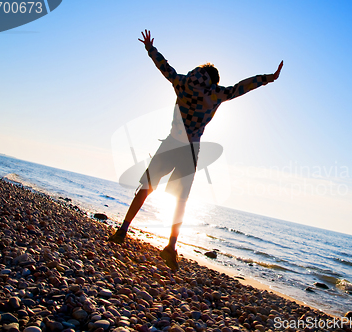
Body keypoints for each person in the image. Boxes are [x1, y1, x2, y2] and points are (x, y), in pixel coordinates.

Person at [108, 29, 283, 271]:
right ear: (215, 80)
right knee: (180, 200)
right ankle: (170, 246)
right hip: (190, 150)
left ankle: (123, 230)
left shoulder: (182, 82)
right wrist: (268, 78)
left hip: (170, 143)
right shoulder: (216, 94)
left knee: (146, 187)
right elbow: (242, 87)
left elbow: (164, 67)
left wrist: (150, 47)